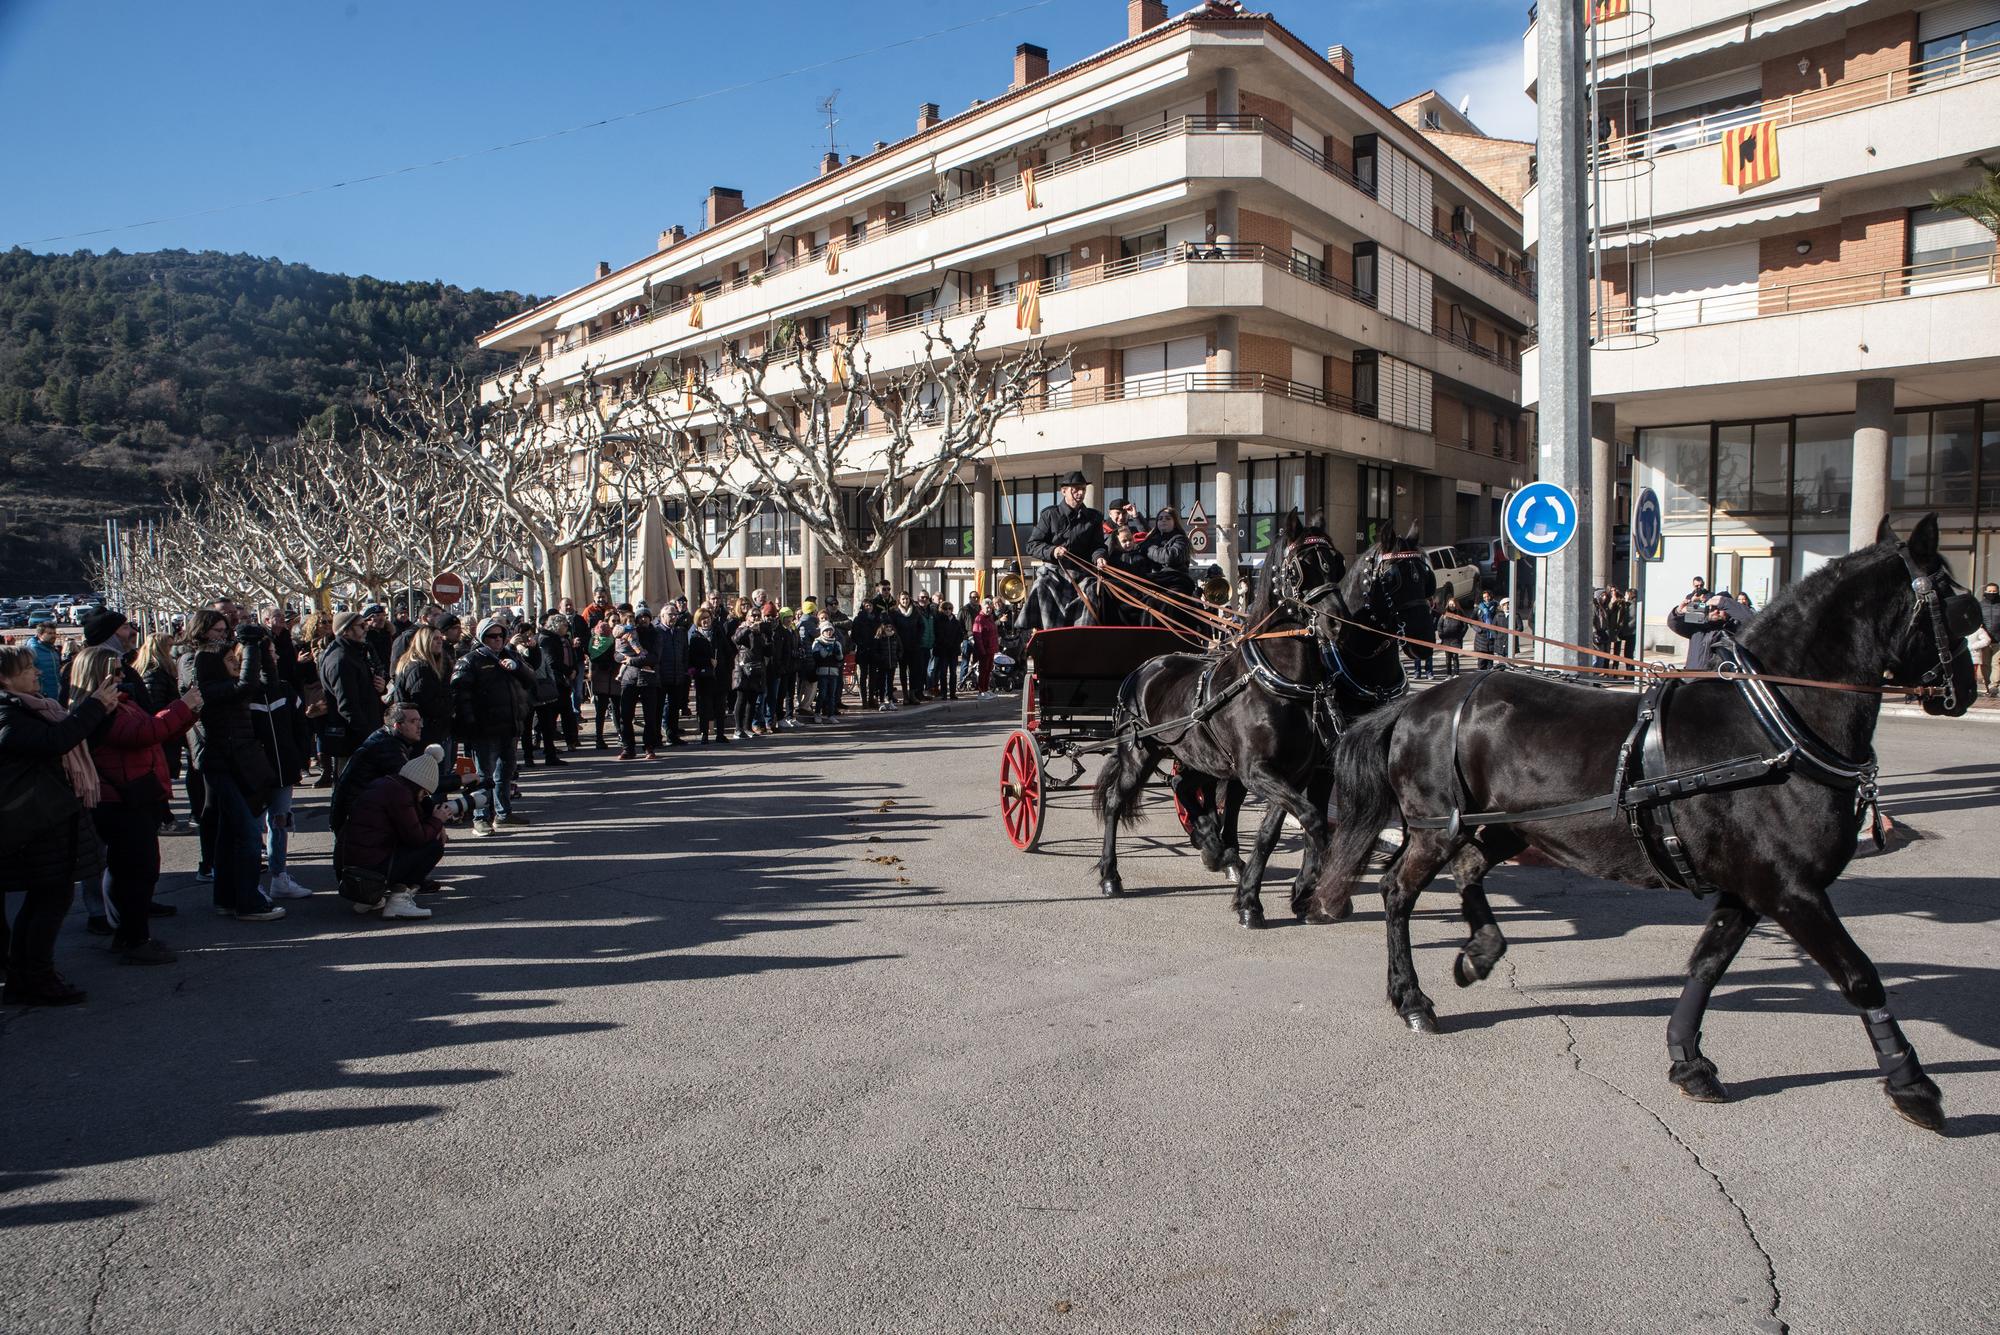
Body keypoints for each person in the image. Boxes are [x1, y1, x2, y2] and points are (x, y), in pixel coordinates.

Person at [0, 643, 120, 1003]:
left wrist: (103, 710)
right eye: (27, 669)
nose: (37, 673)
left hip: (49, 821)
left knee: (45, 901)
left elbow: (74, 738)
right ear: (5, 679)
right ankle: (35, 977)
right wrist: (94, 706)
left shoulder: (35, 707)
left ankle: (27, 974)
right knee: (48, 902)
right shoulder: (7, 715)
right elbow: (56, 741)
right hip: (34, 825)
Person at [75, 645, 200, 963]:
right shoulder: (98, 712)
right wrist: (182, 707)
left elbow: (153, 730)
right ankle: (133, 939)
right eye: (115, 673)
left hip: (133, 796)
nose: (122, 677)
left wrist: (185, 713)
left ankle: (131, 935)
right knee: (135, 872)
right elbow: (143, 733)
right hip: (120, 801)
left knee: (134, 870)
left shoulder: (119, 705)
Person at [192, 621, 285, 921]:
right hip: (221, 764)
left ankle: (226, 897)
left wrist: (261, 651)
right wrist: (249, 645)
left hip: (237, 763)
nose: (237, 663)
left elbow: (267, 683)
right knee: (246, 833)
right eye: (231, 660)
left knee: (230, 832)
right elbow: (246, 685)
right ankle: (247, 901)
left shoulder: (230, 688)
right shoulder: (211, 689)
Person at [337, 749, 446, 922]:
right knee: (433, 845)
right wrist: (437, 821)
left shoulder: (385, 784)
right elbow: (416, 838)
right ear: (419, 785)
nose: (423, 798)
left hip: (351, 867)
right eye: (424, 793)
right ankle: (398, 900)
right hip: (371, 870)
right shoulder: (400, 795)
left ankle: (371, 897)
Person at [451, 617, 534, 833]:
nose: (497, 640)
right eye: (492, 636)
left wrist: (517, 667)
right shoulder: (471, 660)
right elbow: (460, 694)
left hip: (510, 725)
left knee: (505, 773)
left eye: (500, 636)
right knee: (483, 775)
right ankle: (480, 817)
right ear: (482, 637)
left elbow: (531, 679)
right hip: (484, 728)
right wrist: (470, 723)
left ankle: (503, 814)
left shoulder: (511, 655)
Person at [318, 610, 386, 781]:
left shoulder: (356, 653)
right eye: (361, 626)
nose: (366, 629)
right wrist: (368, 737)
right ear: (346, 630)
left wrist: (380, 687)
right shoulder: (340, 659)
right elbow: (347, 705)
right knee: (350, 788)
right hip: (352, 739)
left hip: (364, 732)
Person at [1025, 471, 1107, 609]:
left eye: (1083, 489)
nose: (1080, 493)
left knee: (1092, 591)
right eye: (1076, 490)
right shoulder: (1049, 514)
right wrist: (1053, 550)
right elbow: (1032, 545)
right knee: (1041, 586)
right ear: (1064, 491)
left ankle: (1084, 629)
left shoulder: (1094, 517)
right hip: (1054, 571)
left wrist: (1099, 557)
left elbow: (1098, 545)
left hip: (1082, 573)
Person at [134, 631, 188, 834]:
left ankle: (165, 817)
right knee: (159, 776)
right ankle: (164, 819)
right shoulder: (154, 673)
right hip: (162, 731)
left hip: (166, 730)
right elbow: (155, 706)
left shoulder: (159, 671)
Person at [393, 627, 455, 758]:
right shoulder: (420, 668)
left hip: (431, 729)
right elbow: (425, 702)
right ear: (424, 641)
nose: (439, 642)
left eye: (440, 638)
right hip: (426, 731)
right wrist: (451, 704)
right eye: (434, 639)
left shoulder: (434, 664)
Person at [518, 619, 569, 768]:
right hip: (525, 691)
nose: (528, 638)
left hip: (541, 688)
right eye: (524, 635)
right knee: (526, 727)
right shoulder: (514, 651)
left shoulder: (538, 648)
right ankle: (528, 757)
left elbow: (546, 666)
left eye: (530, 634)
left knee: (547, 724)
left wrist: (551, 685)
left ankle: (550, 754)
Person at [1672, 592, 1754, 672]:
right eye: (1713, 608)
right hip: (1692, 680)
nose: (1716, 611)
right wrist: (1678, 612)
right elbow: (1674, 623)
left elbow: (1753, 621)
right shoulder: (1698, 624)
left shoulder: (1734, 627)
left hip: (1717, 681)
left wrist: (1724, 602)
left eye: (1720, 609)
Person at [613, 622, 660, 759]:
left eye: (646, 617)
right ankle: (628, 748)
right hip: (629, 678)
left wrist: (632, 660)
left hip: (648, 679)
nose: (643, 620)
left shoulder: (654, 635)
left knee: (650, 716)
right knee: (626, 715)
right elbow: (617, 655)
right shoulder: (625, 635)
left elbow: (654, 658)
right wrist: (626, 658)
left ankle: (649, 747)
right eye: (640, 618)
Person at [687, 609, 728, 743]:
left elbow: (727, 651)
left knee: (720, 706)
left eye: (708, 618)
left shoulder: (718, 633)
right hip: (704, 677)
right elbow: (692, 658)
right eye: (703, 618)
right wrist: (707, 662)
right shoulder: (695, 637)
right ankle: (704, 733)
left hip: (719, 675)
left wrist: (719, 662)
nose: (706, 621)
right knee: (705, 706)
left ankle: (720, 733)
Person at [731, 604, 771, 738]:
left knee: (752, 700)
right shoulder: (742, 628)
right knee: (741, 699)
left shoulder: (760, 632)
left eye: (758, 615)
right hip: (742, 668)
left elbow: (768, 651)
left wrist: (768, 635)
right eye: (753, 615)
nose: (756, 618)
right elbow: (736, 640)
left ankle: (747, 727)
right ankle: (737, 729)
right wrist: (749, 628)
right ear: (747, 617)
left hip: (757, 669)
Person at [586, 619, 620, 749]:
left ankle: (601, 738)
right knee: (610, 710)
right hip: (607, 678)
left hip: (605, 679)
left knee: (607, 710)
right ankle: (604, 737)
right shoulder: (605, 642)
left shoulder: (594, 643)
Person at [809, 618, 844, 720]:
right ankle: (817, 713)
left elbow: (840, 659)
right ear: (822, 631)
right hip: (822, 672)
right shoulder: (818, 642)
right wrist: (825, 651)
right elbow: (816, 657)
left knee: (832, 695)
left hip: (833, 672)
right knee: (822, 694)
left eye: (830, 630)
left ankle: (831, 714)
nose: (828, 632)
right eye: (826, 630)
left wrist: (838, 654)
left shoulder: (836, 643)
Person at [931, 599, 964, 700]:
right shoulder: (938, 621)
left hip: (953, 651)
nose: (948, 611)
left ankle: (953, 693)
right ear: (941, 609)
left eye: (950, 608)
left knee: (953, 673)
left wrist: (955, 643)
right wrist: (944, 643)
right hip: (943, 650)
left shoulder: (956, 621)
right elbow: (937, 635)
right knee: (943, 672)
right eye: (945, 608)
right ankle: (944, 693)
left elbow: (960, 635)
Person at [970, 599, 1001, 698]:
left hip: (991, 649)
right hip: (984, 650)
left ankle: (986, 689)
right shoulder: (979, 619)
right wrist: (982, 650)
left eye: (990, 608)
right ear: (982, 607)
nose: (989, 610)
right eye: (987, 608)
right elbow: (977, 636)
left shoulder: (990, 618)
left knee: (988, 670)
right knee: (983, 670)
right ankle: (981, 691)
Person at [28, 622, 64, 699]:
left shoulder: (53, 650)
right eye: (49, 633)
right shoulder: (33, 650)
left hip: (56, 694)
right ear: (40, 635)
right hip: (41, 696)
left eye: (54, 633)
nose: (53, 636)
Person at [1978, 581, 2000, 699]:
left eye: (1994, 591)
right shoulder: (1980, 606)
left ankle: (1994, 685)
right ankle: (1988, 686)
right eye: (1990, 591)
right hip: (1984, 641)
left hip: (1998, 640)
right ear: (1985, 592)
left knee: (1996, 663)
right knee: (1985, 664)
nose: (1992, 593)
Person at [1435, 596, 1467, 675]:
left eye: (1453, 604)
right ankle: (1448, 674)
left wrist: (1460, 635)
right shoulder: (1444, 614)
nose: (1452, 606)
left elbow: (1465, 626)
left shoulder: (1460, 614)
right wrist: (1441, 634)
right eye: (1450, 604)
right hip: (1447, 639)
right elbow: (1439, 625)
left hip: (1456, 640)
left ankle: (1456, 673)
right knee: (1448, 658)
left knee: (1455, 657)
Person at [1472, 589, 1503, 669]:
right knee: (1481, 661)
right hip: (1481, 637)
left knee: (1490, 662)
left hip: (1491, 636)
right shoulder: (1478, 608)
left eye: (1488, 596)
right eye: (1484, 597)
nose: (1486, 598)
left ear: (1491, 596)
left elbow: (1499, 620)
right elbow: (1472, 621)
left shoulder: (1496, 607)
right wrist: (1479, 629)